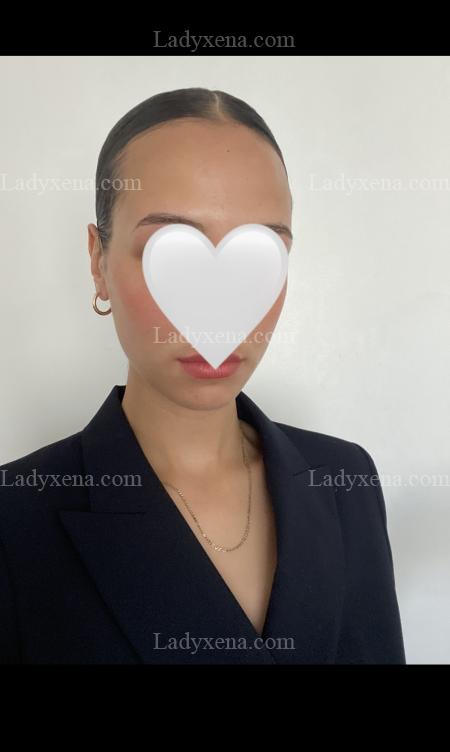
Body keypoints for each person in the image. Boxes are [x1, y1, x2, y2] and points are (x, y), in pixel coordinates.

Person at [0, 87, 406, 664]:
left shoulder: (345, 481)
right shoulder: (17, 517)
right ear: (98, 261)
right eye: (169, 251)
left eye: (259, 255)